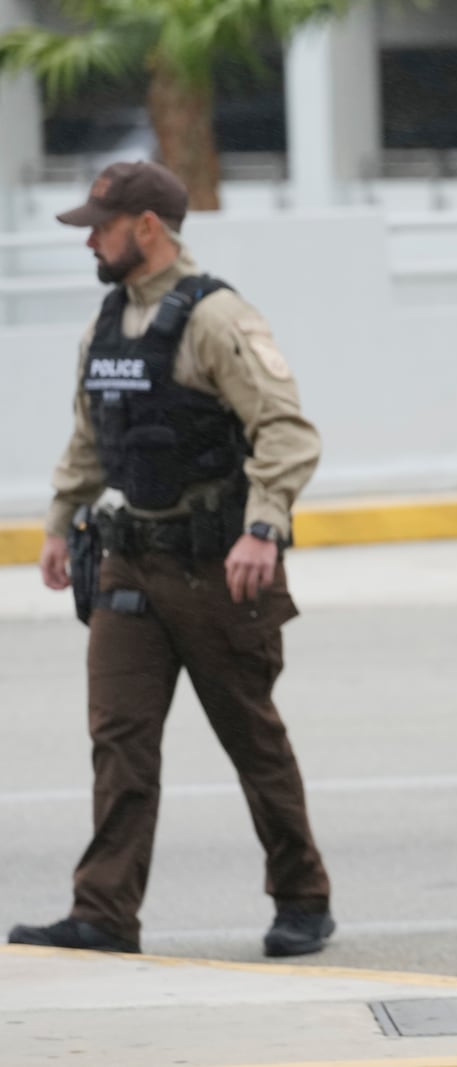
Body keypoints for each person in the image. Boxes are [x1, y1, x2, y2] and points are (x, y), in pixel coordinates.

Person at [7, 160, 336, 959]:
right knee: (119, 740)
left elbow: (286, 433)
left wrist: (262, 528)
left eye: (101, 224)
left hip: (217, 567)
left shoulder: (217, 318)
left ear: (146, 227)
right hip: (128, 562)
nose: (90, 238)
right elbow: (93, 435)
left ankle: (302, 897)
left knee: (251, 740)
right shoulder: (107, 321)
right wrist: (59, 520)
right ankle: (104, 912)